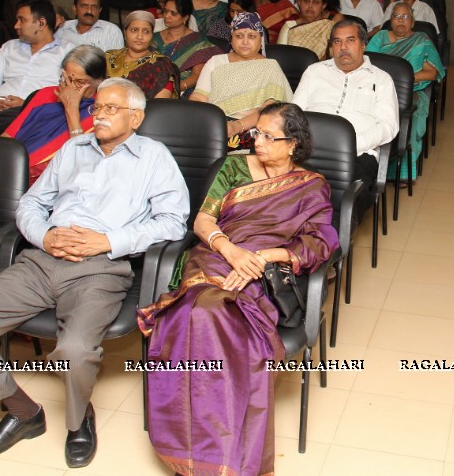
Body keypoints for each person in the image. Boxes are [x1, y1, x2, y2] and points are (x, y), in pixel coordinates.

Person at [0, 77, 189, 469]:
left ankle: (78, 420)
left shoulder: (155, 157)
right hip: (41, 260)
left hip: (100, 269)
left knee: (73, 351)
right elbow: (30, 204)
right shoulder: (73, 148)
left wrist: (108, 241)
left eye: (110, 108)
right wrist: (46, 235)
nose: (99, 115)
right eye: (96, 108)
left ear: (135, 118)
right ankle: (23, 413)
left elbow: (174, 223)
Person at [138, 101, 337, 476]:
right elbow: (202, 220)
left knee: (217, 315)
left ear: (292, 144)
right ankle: (187, 447)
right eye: (255, 133)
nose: (256, 141)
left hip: (262, 272)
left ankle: (220, 453)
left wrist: (263, 257)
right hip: (215, 257)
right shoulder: (233, 167)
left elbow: (320, 243)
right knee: (191, 313)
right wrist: (230, 249)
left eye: (266, 136)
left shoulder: (310, 187)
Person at [292, 19, 399, 217]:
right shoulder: (315, 72)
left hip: (357, 154)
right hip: (309, 149)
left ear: (363, 44)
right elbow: (294, 114)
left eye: (350, 40)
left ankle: (331, 242)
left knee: (346, 198)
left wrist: (353, 145)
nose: (343, 47)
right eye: (337, 42)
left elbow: (388, 126)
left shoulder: (381, 79)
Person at [3, 45, 106, 183]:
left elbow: (81, 161)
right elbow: (7, 138)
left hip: (54, 182)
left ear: (99, 81)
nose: (71, 87)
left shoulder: (102, 111)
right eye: (67, 79)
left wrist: (72, 109)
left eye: (80, 82)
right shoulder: (45, 94)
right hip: (12, 168)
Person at [191, 12, 293, 150]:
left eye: (251, 36)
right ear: (231, 38)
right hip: (215, 125)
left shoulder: (270, 66)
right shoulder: (216, 62)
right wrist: (211, 123)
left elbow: (269, 110)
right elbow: (198, 97)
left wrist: (238, 126)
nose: (245, 41)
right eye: (239, 36)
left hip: (253, 129)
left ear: (260, 39)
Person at [367, 2, 444, 180]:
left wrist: (403, 78)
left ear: (413, 21)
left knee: (414, 116)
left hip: (411, 90)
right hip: (379, 88)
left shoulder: (421, 40)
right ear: (390, 20)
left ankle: (402, 172)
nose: (400, 21)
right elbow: (368, 64)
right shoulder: (380, 37)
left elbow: (431, 73)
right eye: (396, 16)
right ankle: (371, 165)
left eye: (405, 16)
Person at [0, 0, 72, 131]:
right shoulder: (9, 47)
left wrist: (26, 105)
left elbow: (69, 94)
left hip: (36, 115)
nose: (16, 25)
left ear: (41, 23)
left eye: (22, 20)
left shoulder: (67, 52)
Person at [153, 0, 224, 98]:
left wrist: (178, 87)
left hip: (182, 92)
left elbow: (197, 74)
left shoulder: (197, 41)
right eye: (165, 11)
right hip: (151, 88)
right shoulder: (154, 38)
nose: (167, 16)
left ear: (185, 17)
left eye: (173, 13)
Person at [105, 10, 180, 100]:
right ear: (125, 33)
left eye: (146, 32)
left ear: (152, 35)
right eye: (134, 30)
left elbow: (160, 106)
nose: (139, 36)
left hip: (143, 112)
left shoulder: (162, 65)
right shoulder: (109, 57)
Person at [277, 0, 344, 59]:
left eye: (316, 2)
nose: (310, 6)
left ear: (323, 6)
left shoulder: (330, 24)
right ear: (299, 2)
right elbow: (281, 57)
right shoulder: (290, 26)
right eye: (306, 1)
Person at [55, 0, 124, 51]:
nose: (89, 11)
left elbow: (117, 63)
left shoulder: (111, 31)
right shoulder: (61, 28)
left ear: (100, 10)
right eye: (84, 6)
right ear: (74, 8)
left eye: (94, 7)